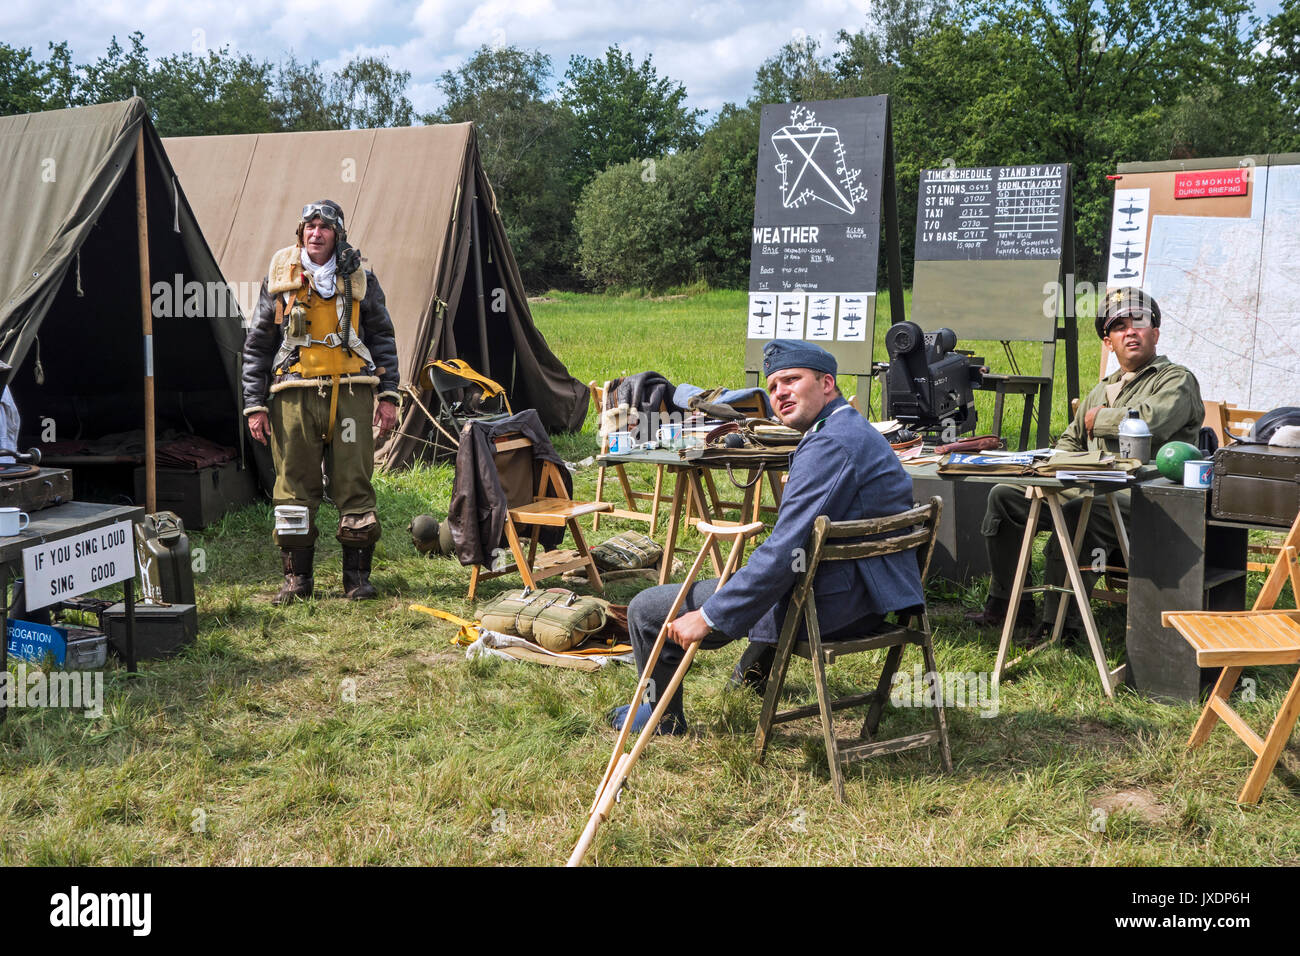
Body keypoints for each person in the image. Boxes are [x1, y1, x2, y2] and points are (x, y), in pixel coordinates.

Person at [611, 339, 924, 735]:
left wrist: (708, 616)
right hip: (870, 595)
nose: (780, 394)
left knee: (645, 608)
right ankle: (750, 679)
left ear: (827, 383)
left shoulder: (829, 444)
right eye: (773, 387)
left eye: (792, 380)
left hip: (830, 607)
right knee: (759, 575)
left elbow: (782, 554)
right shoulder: (851, 428)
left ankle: (661, 718)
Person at [967, 287, 1204, 640]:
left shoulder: (1174, 379)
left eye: (1139, 323)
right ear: (1109, 342)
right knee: (1005, 497)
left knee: (1083, 513)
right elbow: (1069, 440)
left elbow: (1152, 422)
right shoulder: (1102, 389)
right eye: (1119, 327)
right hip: (1090, 487)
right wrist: (1045, 472)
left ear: (1155, 332)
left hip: (1148, 496)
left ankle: (1060, 624)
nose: (1130, 332)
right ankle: (1008, 604)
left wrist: (1100, 420)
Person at [242, 200, 400, 604]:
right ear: (301, 233)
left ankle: (357, 580)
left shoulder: (363, 281)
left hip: (351, 394)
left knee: (355, 484)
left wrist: (389, 395)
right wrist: (254, 404)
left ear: (338, 234)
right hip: (293, 397)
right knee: (293, 487)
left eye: (324, 227)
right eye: (309, 226)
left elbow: (382, 337)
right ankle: (297, 581)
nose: (316, 233)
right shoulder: (280, 280)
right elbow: (258, 344)